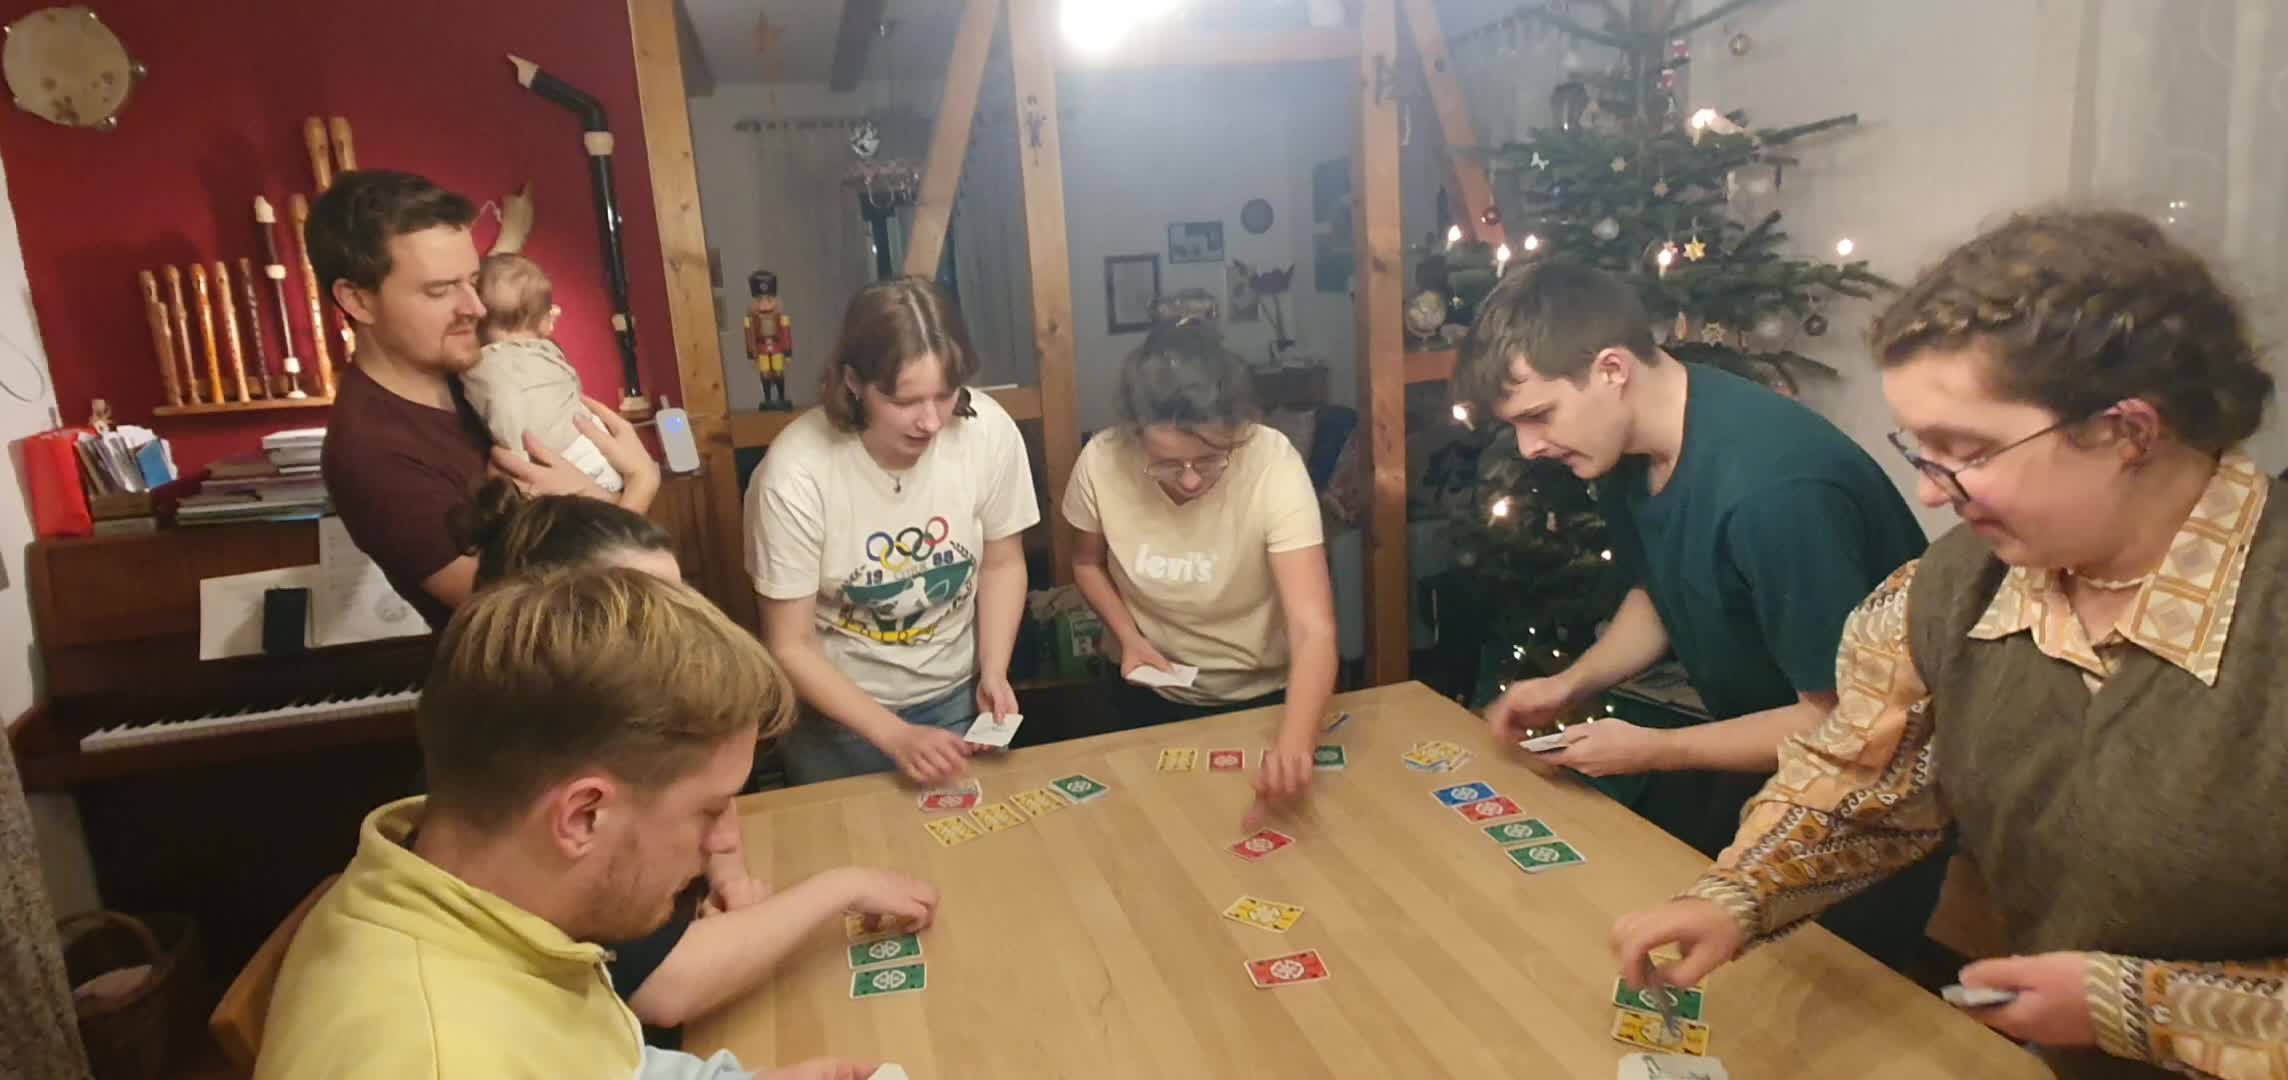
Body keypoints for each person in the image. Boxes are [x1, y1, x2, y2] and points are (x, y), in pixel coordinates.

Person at [1611, 210, 2288, 1080]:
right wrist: (1740, 894)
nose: (1933, 495)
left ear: (2127, 433)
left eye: (1966, 452)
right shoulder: (1956, 586)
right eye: (1921, 451)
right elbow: (1865, 782)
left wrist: (2146, 1007)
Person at [1454, 260, 1941, 970]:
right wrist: (1571, 684)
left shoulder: (1774, 492)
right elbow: (1662, 591)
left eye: (1539, 415)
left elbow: (1843, 725)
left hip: (1869, 806)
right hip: (1767, 760)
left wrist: (1655, 749)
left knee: (1814, 1000)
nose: (1530, 448)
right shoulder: (1628, 446)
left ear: (1612, 370)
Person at [258, 568, 887, 1079]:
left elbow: (601, 1063)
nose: (723, 842)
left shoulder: (461, 893)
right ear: (583, 816)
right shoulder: (441, 1057)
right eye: (709, 809)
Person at [449, 480, 937, 1045]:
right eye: (653, 611)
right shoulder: (533, 790)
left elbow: (704, 797)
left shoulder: (622, 735)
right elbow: (664, 986)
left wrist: (726, 871)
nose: (687, 630)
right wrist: (839, 888)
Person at [308, 169, 657, 630]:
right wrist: (639, 490)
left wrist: (605, 497)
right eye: (439, 290)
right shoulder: (370, 452)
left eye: (472, 281)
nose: (475, 307)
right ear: (357, 300)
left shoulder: (464, 363)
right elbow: (522, 613)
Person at [747, 277, 1039, 787]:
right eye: (905, 401)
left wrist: (994, 669)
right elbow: (790, 644)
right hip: (837, 717)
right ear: (853, 382)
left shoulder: (988, 433)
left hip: (958, 695)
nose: (930, 422)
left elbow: (1003, 562)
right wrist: (895, 734)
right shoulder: (794, 473)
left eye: (945, 395)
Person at [1064, 319, 1337, 817]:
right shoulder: (1101, 461)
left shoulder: (1272, 462)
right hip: (1146, 695)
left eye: (1210, 459)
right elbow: (1085, 563)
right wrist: (1127, 636)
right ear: (1135, 437)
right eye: (1168, 463)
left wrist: (1295, 744)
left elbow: (1312, 627)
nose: (1190, 480)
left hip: (1263, 699)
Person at [468, 252, 624, 493]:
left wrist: (518, 464)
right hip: (590, 446)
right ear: (541, 319)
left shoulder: (484, 366)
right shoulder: (545, 351)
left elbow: (503, 413)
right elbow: (572, 387)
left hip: (565, 455)